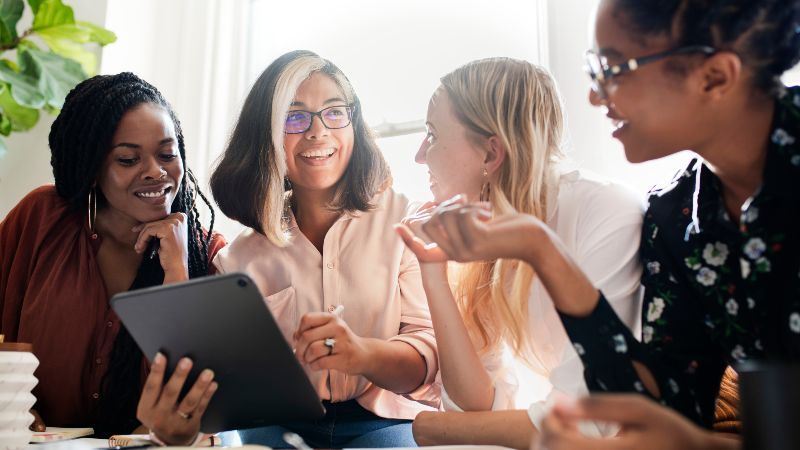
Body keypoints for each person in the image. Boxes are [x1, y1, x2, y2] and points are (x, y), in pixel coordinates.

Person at [404, 1, 800, 449]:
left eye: (613, 68)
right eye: (594, 71)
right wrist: (541, 249)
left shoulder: (623, 211)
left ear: (715, 76)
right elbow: (651, 400)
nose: (594, 96)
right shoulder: (676, 218)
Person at [396, 57, 643, 449]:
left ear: (491, 154)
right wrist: (433, 275)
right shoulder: (489, 234)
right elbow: (475, 406)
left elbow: (591, 420)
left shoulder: (605, 213)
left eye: (433, 134)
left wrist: (434, 430)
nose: (420, 155)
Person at [211, 50, 439, 449]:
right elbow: (229, 384)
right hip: (278, 426)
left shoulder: (406, 223)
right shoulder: (238, 259)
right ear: (265, 135)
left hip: (385, 422)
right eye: (294, 117)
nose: (317, 132)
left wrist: (363, 355)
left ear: (354, 122)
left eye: (334, 112)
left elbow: (426, 362)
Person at [0, 73, 226, 444]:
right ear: (92, 168)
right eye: (128, 158)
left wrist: (177, 272)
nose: (156, 171)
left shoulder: (207, 255)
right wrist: (7, 405)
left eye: (168, 154)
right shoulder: (39, 220)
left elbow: (202, 402)